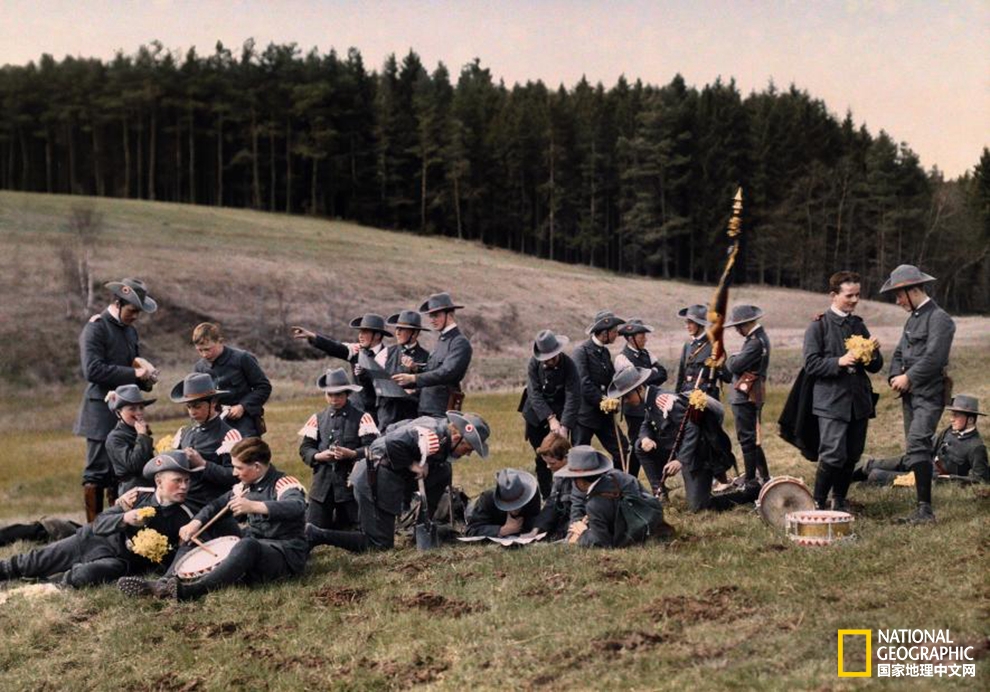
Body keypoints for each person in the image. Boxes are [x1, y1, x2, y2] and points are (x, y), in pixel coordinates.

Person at [118, 438, 309, 600]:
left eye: (238, 468)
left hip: (285, 554)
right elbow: (216, 506)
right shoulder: (243, 486)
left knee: (247, 544)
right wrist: (194, 523)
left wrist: (255, 506)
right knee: (195, 535)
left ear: (257, 467)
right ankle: (163, 583)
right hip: (259, 550)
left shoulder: (284, 482)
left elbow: (297, 507)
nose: (234, 473)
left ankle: (192, 591)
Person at [1, 452, 195, 588]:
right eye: (177, 481)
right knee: (34, 561)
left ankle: (41, 586)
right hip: (92, 540)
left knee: (85, 575)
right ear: (159, 481)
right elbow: (100, 522)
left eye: (187, 481)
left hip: (119, 560)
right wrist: (125, 517)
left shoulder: (183, 518)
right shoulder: (138, 495)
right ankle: (7, 571)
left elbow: (172, 559)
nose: (184, 486)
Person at [306, 411, 491, 552]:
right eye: (469, 447)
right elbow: (393, 441)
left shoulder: (441, 434)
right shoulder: (432, 435)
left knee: (442, 471)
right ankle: (316, 534)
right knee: (378, 545)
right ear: (458, 436)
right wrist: (413, 465)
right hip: (374, 481)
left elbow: (395, 427)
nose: (468, 453)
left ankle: (420, 529)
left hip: (387, 479)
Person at [73, 277, 158, 522]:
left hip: (127, 410)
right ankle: (94, 530)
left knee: (118, 473)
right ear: (118, 302)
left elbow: (133, 365)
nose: (135, 316)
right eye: (132, 310)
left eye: (138, 312)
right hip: (100, 411)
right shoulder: (96, 328)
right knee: (97, 474)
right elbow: (93, 370)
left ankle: (116, 525)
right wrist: (134, 373)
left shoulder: (130, 331)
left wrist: (146, 377)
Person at [880, 264, 956, 524]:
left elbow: (935, 358)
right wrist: (893, 375)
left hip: (929, 395)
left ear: (913, 290)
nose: (898, 301)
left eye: (900, 295)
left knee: (917, 443)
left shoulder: (940, 319)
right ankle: (922, 509)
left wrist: (909, 377)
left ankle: (926, 511)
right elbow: (900, 353)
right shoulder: (912, 319)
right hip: (911, 397)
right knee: (915, 450)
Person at [802, 271, 883, 511]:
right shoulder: (819, 326)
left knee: (852, 455)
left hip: (859, 401)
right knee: (833, 454)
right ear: (833, 295)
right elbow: (811, 364)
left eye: (858, 295)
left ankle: (839, 499)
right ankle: (817, 502)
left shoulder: (858, 325)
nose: (855, 300)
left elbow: (876, 367)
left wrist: (872, 352)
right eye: (849, 295)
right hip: (831, 402)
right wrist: (839, 361)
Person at [611, 368, 740, 511]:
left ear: (639, 388)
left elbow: (693, 429)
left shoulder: (663, 400)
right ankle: (659, 492)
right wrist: (645, 437)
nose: (627, 401)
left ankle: (745, 494)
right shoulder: (649, 399)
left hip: (698, 453)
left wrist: (680, 460)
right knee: (639, 445)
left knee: (698, 507)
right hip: (678, 447)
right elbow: (646, 423)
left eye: (627, 396)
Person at [298, 368, 378, 531]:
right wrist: (319, 456)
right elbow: (305, 448)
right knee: (312, 528)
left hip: (351, 486)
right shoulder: (317, 419)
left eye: (339, 395)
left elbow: (373, 449)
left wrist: (353, 454)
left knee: (358, 529)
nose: (334, 399)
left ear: (348, 394)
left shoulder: (362, 418)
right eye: (330, 394)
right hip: (322, 487)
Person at [856, 395, 987, 486]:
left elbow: (980, 479)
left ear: (970, 420)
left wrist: (948, 479)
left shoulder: (976, 447)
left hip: (932, 477)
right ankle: (844, 478)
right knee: (873, 464)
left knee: (877, 475)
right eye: (952, 415)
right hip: (925, 463)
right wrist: (916, 454)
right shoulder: (949, 430)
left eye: (956, 416)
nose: (951, 419)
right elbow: (932, 446)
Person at [556, 445, 665, 548]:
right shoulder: (620, 476)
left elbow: (603, 543)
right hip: (653, 525)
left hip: (632, 536)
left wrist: (583, 533)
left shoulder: (594, 505)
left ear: (581, 481)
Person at [292, 313, 393, 419]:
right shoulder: (356, 351)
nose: (360, 336)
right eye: (360, 332)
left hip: (382, 413)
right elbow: (335, 347)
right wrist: (312, 336)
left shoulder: (389, 356)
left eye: (365, 332)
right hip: (357, 411)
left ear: (377, 335)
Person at [518, 330, 580, 497]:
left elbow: (573, 396)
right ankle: (547, 495)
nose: (549, 361)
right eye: (546, 359)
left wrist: (565, 425)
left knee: (562, 456)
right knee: (541, 456)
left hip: (561, 414)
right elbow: (534, 393)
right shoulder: (533, 364)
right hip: (536, 416)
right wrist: (550, 418)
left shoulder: (569, 365)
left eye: (552, 357)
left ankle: (566, 493)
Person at [392, 292, 473, 418]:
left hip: (442, 410)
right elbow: (434, 369)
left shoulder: (459, 342)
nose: (432, 320)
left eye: (436, 315)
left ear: (450, 314)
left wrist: (414, 378)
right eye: (430, 316)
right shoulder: (442, 341)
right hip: (427, 408)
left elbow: (448, 373)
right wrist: (416, 369)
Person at [169, 373, 240, 511]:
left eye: (197, 406)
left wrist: (204, 465)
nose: (192, 412)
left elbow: (236, 475)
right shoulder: (184, 432)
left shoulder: (229, 435)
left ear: (213, 403)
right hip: (184, 503)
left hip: (214, 506)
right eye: (189, 407)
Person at [191, 322, 272, 438]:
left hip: (244, 421)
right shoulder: (199, 368)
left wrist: (243, 406)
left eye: (208, 349)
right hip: (215, 423)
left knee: (247, 453)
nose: (204, 354)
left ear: (220, 341)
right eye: (200, 350)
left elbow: (263, 387)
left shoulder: (242, 359)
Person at [572, 310, 629, 468]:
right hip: (584, 417)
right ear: (604, 333)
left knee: (623, 450)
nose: (617, 335)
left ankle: (617, 487)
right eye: (614, 332)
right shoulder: (581, 352)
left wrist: (615, 398)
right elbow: (584, 384)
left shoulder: (604, 352)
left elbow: (611, 381)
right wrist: (603, 400)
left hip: (604, 415)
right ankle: (577, 492)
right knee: (579, 458)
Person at [614, 319, 667, 481]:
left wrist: (646, 375)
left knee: (654, 442)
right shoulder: (621, 358)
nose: (645, 338)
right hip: (635, 411)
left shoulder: (647, 353)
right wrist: (651, 372)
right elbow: (635, 381)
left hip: (649, 407)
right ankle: (630, 479)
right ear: (631, 338)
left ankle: (658, 479)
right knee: (637, 445)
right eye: (641, 335)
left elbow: (663, 373)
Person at [725, 304, 771, 485]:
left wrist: (731, 358)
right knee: (752, 438)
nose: (736, 330)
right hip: (750, 394)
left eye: (738, 326)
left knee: (747, 439)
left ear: (747, 323)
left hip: (745, 395)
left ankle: (751, 479)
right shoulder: (758, 339)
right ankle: (763, 476)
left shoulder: (754, 342)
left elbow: (734, 366)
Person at [376, 310, 432, 429]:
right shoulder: (385, 354)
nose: (398, 332)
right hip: (388, 416)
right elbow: (376, 383)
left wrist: (416, 372)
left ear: (415, 333)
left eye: (402, 329)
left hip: (413, 417)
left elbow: (431, 387)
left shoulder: (427, 357)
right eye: (397, 329)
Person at [105, 384, 158, 495]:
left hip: (151, 487)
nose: (139, 412)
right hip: (133, 492)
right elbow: (135, 465)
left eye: (141, 407)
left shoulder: (138, 430)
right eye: (132, 409)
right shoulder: (115, 438)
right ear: (118, 412)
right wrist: (142, 436)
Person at [465, 469, 542, 538]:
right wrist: (502, 530)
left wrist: (534, 530)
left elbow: (534, 518)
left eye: (518, 504)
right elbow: (471, 530)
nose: (515, 510)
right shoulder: (487, 500)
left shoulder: (532, 496)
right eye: (510, 506)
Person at [675, 304, 729, 398]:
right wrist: (677, 395)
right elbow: (681, 374)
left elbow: (727, 377)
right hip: (686, 393)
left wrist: (719, 365)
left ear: (700, 324)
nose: (687, 326)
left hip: (705, 397)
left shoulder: (714, 346)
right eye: (686, 323)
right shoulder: (688, 345)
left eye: (691, 323)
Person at [531, 433, 574, 540]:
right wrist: (538, 528)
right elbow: (552, 503)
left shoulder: (579, 477)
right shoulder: (559, 475)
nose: (548, 466)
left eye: (552, 463)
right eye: (546, 462)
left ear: (565, 458)